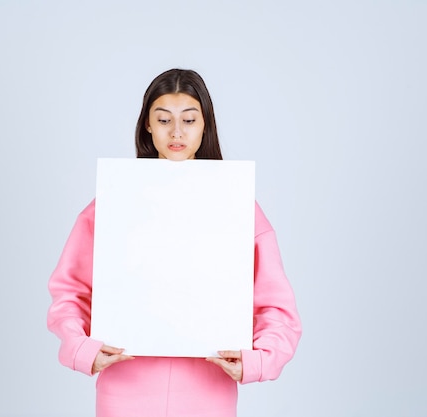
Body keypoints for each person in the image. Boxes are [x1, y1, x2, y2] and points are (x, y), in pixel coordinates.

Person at [47, 68, 302, 417]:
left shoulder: (238, 204)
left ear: (205, 124)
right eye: (164, 119)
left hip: (208, 388)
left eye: (189, 120)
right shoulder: (112, 201)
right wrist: (80, 347)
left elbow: (276, 305)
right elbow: (70, 290)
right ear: (148, 125)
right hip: (125, 385)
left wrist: (260, 360)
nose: (177, 132)